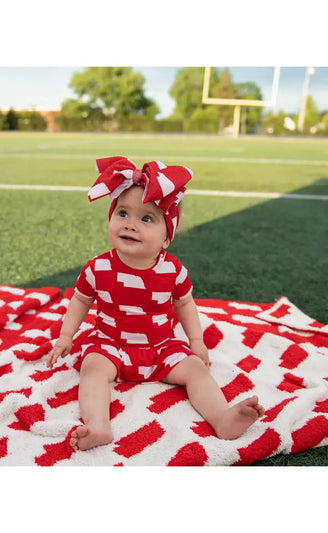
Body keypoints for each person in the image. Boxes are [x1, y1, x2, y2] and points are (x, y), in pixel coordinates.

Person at [47, 156, 264, 451]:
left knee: (196, 370)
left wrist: (196, 341)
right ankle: (98, 427)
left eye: (146, 218)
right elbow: (80, 300)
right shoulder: (97, 269)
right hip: (111, 344)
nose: (130, 225)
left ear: (166, 237)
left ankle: (223, 418)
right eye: (122, 213)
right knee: (92, 369)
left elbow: (185, 305)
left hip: (162, 347)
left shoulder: (172, 270)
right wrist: (66, 336)